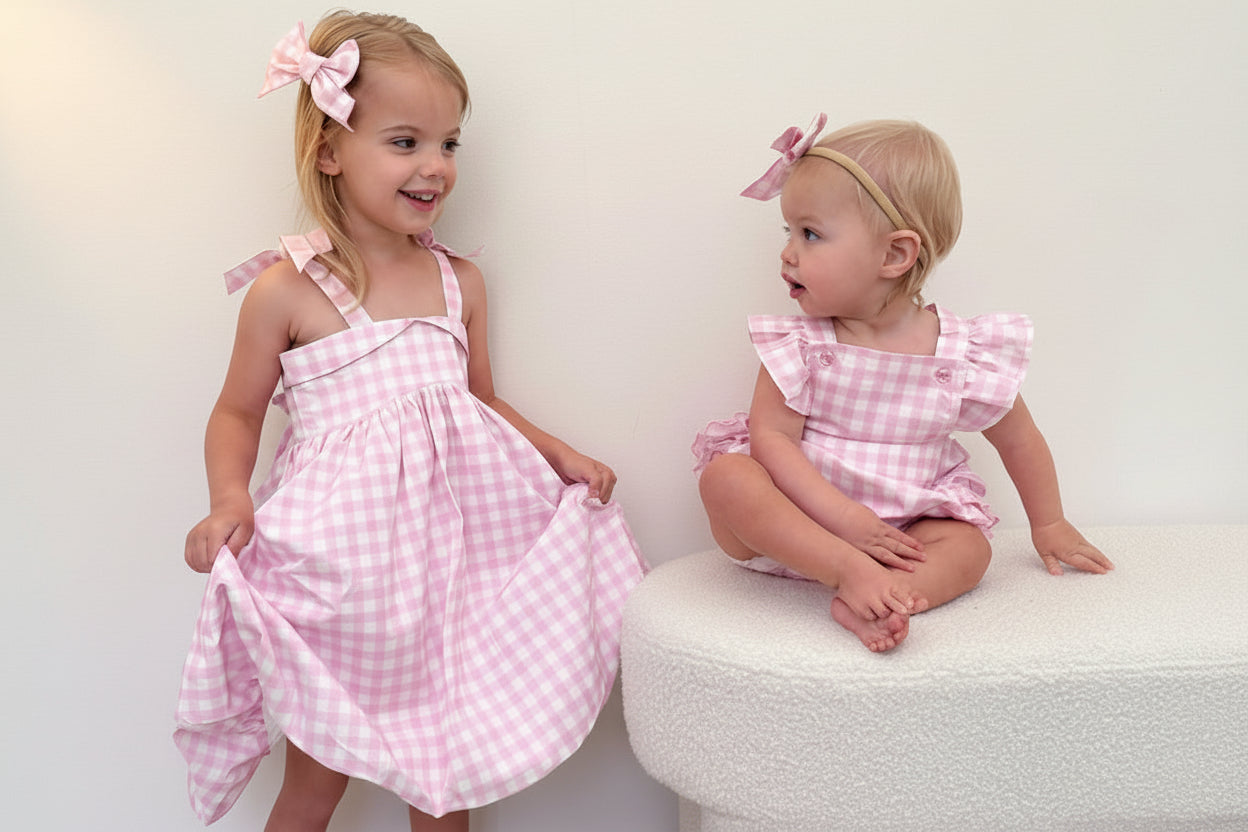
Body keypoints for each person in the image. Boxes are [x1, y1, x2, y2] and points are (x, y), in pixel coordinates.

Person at [173, 13, 646, 831]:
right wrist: (228, 500)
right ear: (330, 150)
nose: (435, 167)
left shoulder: (459, 281)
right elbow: (237, 411)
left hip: (448, 575)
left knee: (442, 779)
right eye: (405, 143)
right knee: (313, 786)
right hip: (342, 580)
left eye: (450, 144)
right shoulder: (287, 291)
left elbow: (480, 399)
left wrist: (559, 452)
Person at [694, 113, 1112, 654]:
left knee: (970, 549)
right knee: (727, 478)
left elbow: (1019, 438)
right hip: (800, 524)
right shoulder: (800, 345)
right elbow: (771, 438)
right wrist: (844, 521)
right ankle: (843, 569)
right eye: (789, 231)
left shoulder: (963, 353)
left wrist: (1049, 522)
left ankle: (884, 597)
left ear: (895, 254)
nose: (788, 252)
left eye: (811, 234)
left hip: (903, 533)